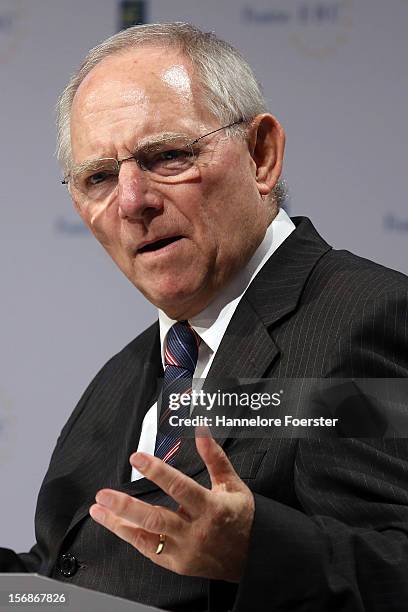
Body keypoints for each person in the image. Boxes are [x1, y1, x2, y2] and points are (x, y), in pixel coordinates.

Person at [1, 22, 408, 612]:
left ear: (261, 155)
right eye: (99, 177)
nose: (132, 200)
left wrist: (255, 550)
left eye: (167, 155)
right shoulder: (122, 377)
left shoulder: (365, 320)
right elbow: (69, 579)